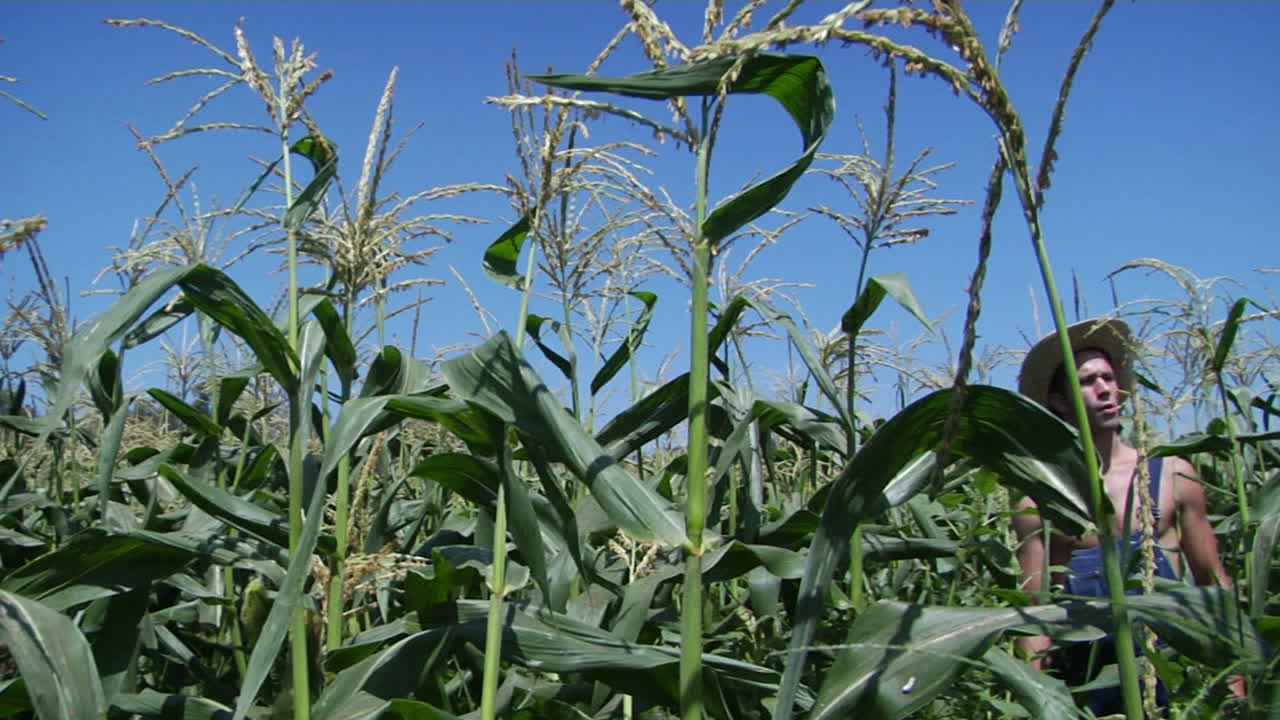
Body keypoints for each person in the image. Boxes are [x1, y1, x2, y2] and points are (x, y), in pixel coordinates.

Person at [1011, 318, 1244, 714]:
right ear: (1059, 402)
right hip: (1087, 690)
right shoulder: (1040, 502)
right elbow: (1036, 616)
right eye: (1088, 382)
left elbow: (1213, 583)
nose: (1105, 389)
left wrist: (1236, 678)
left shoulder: (1172, 475)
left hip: (1172, 681)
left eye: (1108, 377)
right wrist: (1035, 699)